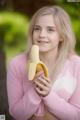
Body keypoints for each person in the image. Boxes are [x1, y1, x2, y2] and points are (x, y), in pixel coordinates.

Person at [7, 5, 80, 120]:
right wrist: (35, 92)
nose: (41, 35)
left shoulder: (76, 65)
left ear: (61, 36)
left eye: (50, 30)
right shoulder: (17, 64)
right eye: (37, 28)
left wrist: (48, 95)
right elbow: (17, 115)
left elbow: (77, 115)